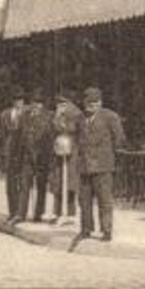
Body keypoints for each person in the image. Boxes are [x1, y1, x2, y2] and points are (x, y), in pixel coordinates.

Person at [73, 87, 125, 244]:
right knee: (84, 200)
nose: (91, 105)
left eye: (95, 102)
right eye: (88, 102)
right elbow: (77, 138)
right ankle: (86, 229)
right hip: (84, 166)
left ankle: (106, 230)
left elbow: (120, 139)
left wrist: (108, 155)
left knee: (104, 200)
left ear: (100, 103)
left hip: (103, 166)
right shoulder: (80, 118)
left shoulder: (110, 117)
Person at [21, 90, 53, 223]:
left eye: (39, 103)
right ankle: (20, 214)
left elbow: (50, 136)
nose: (36, 105)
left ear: (43, 105)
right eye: (34, 102)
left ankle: (38, 214)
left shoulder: (49, 117)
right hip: (27, 156)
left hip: (42, 157)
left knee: (41, 186)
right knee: (24, 185)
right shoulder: (25, 116)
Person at [50, 91, 80, 224]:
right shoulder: (59, 113)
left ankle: (70, 212)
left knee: (69, 182)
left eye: (63, 103)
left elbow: (73, 129)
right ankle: (58, 211)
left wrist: (61, 122)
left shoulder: (75, 113)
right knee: (59, 181)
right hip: (60, 149)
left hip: (71, 150)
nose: (60, 105)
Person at [0, 91, 28, 224]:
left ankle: (20, 213)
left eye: (21, 100)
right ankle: (12, 212)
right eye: (16, 100)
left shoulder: (28, 114)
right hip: (10, 152)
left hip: (23, 152)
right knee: (10, 184)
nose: (19, 102)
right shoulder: (5, 114)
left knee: (23, 183)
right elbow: (3, 134)